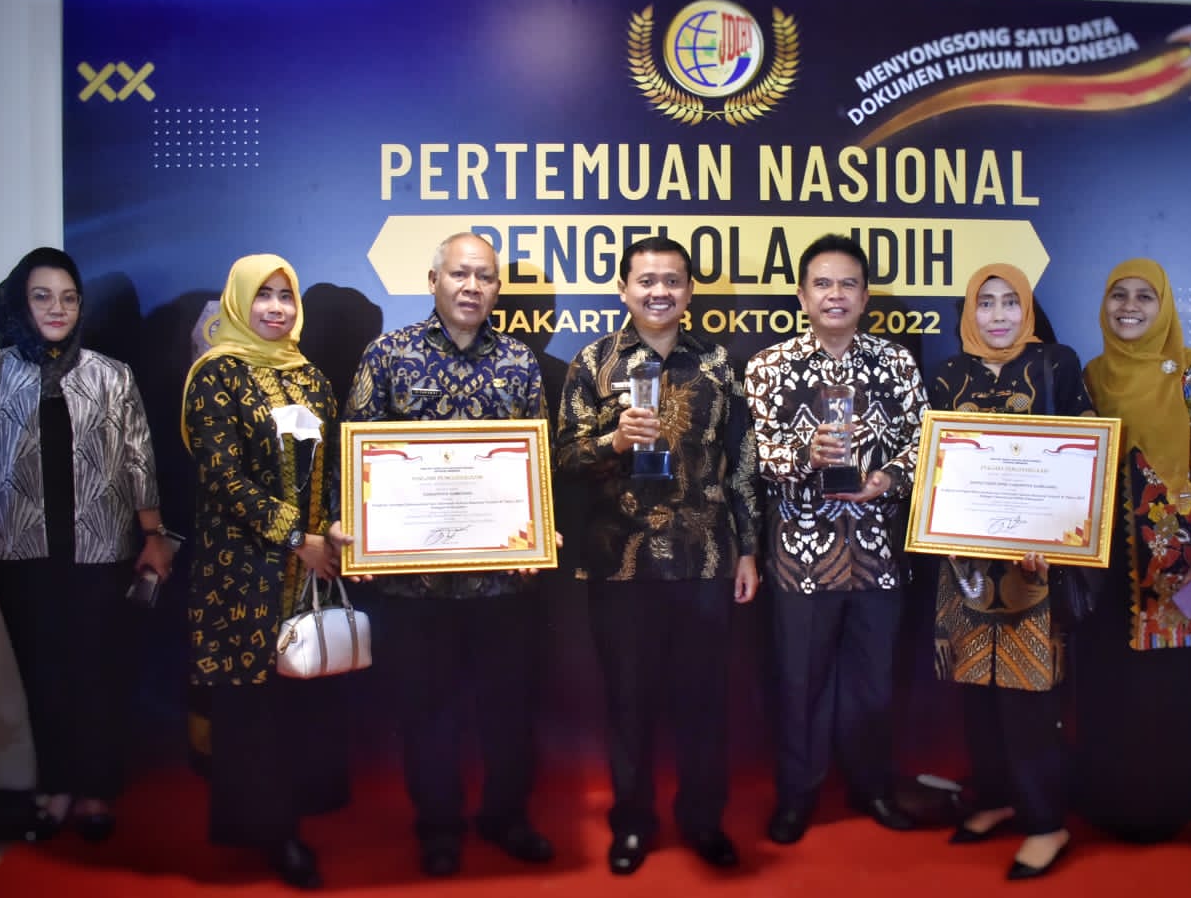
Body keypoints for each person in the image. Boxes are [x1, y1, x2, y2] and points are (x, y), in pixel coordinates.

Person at [344, 231, 554, 878]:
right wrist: (360, 526)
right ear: (433, 280)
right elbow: (357, 458)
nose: (471, 286)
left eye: (484, 277)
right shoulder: (388, 356)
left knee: (508, 712)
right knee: (426, 713)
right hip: (416, 584)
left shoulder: (520, 362)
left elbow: (538, 465)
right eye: (460, 274)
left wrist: (541, 529)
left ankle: (506, 817)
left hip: (502, 584)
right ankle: (438, 826)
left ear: (497, 289)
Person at [555, 236, 760, 875]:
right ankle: (632, 824)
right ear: (623, 290)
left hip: (705, 559)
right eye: (646, 281)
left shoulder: (719, 365)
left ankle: (703, 821)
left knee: (704, 702)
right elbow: (561, 460)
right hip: (620, 561)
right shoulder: (593, 363)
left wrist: (748, 550)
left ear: (689, 291)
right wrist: (613, 441)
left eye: (672, 280)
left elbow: (742, 466)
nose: (659, 292)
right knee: (628, 701)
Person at [0, 246, 174, 840]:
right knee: (42, 674)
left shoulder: (111, 374)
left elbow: (139, 462)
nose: (57, 308)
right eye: (42, 296)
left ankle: (96, 790)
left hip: (101, 551)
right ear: (20, 304)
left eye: (69, 297)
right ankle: (55, 786)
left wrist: (154, 536)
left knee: (98, 672)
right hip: (18, 550)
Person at [743, 233, 928, 845]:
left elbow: (924, 442)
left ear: (865, 296)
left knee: (874, 683)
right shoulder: (768, 366)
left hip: (878, 553)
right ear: (802, 296)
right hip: (801, 556)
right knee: (801, 684)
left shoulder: (896, 363)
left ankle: (873, 787)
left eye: (848, 283)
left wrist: (887, 479)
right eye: (822, 284)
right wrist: (805, 455)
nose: (835, 295)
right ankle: (797, 796)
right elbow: (755, 456)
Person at [181, 253, 352, 890]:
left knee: (297, 696)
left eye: (286, 296)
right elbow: (222, 478)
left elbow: (334, 465)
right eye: (263, 295)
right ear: (238, 301)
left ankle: (296, 817)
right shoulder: (215, 375)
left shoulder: (311, 378)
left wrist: (334, 526)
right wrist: (296, 537)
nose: (276, 308)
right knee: (250, 703)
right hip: (242, 569)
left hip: (308, 568)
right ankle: (269, 832)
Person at [928, 263, 1092, 880]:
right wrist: (942, 524)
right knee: (976, 691)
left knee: (1029, 697)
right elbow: (935, 462)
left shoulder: (1056, 365)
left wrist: (1059, 537)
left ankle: (1046, 822)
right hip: (965, 563)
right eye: (986, 303)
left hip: (1034, 566)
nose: (998, 315)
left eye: (1010, 302)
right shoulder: (947, 375)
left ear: (1028, 309)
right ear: (969, 312)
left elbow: (1084, 454)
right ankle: (995, 797)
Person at [1075, 257, 1191, 842]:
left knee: (1183, 687)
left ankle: (1186, 808)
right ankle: (1127, 811)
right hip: (1115, 569)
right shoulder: (1093, 375)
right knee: (1123, 691)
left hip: (1186, 565)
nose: (1129, 307)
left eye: (1144, 296)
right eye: (1118, 294)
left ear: (1164, 305)